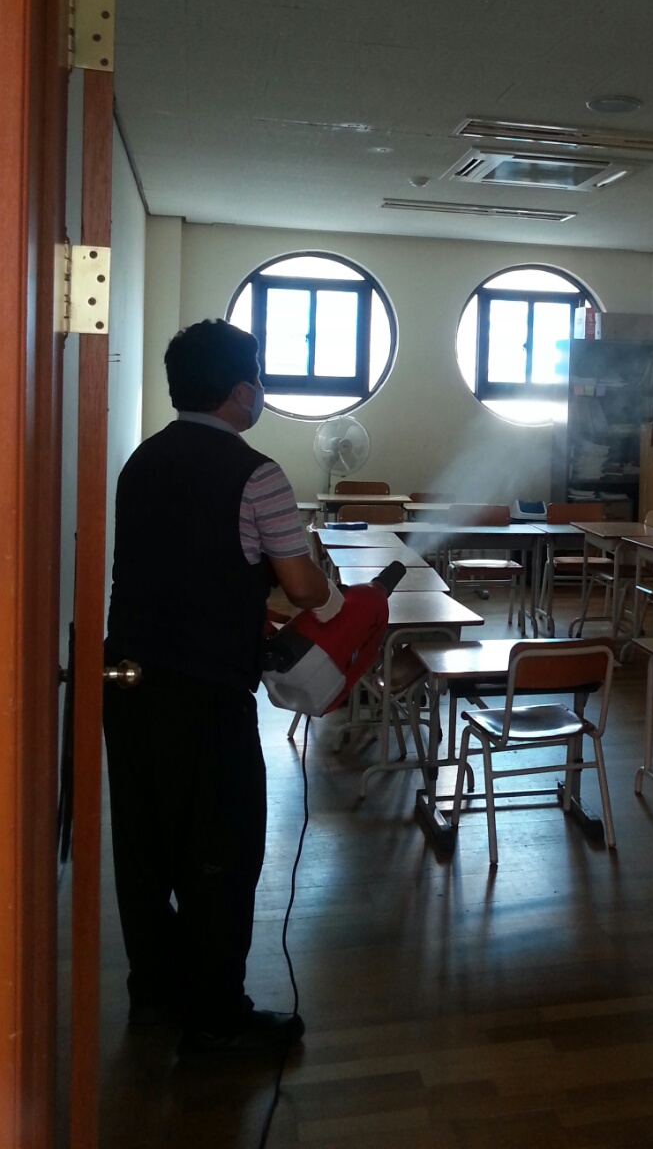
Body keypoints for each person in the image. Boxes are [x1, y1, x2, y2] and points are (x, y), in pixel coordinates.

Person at [102, 318, 394, 1060]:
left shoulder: (141, 462)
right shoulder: (256, 473)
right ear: (240, 390)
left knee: (144, 846)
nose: (260, 391)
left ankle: (155, 988)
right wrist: (330, 591)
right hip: (205, 691)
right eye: (257, 378)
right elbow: (302, 588)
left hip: (126, 681)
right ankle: (216, 1019)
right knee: (221, 850)